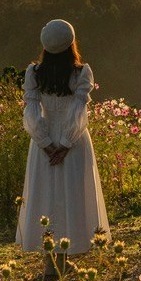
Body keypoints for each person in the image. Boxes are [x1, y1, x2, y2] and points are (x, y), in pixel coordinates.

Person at [16, 19, 110, 258]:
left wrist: (46, 144)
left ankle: (50, 258)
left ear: (45, 47)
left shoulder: (35, 73)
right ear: (71, 43)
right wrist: (66, 143)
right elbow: (79, 113)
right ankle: (69, 250)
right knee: (73, 194)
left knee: (46, 195)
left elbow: (32, 111)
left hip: (44, 140)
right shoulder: (80, 72)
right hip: (75, 141)